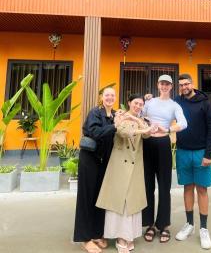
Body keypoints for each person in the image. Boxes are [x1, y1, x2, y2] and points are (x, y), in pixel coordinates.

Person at [96, 94, 156, 253]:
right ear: (129, 103)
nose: (138, 106)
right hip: (119, 164)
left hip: (135, 165)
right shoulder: (120, 116)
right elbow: (124, 133)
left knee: (132, 202)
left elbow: (148, 134)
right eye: (136, 103)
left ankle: (129, 236)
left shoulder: (141, 120)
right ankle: (119, 237)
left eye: (141, 104)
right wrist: (139, 123)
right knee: (119, 201)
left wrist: (138, 122)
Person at [142, 74, 187, 243]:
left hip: (163, 145)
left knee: (164, 187)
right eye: (162, 83)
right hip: (147, 144)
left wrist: (168, 129)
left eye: (168, 84)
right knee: (147, 186)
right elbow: (140, 115)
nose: (164, 86)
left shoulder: (174, 105)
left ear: (171, 86)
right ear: (158, 84)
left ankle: (164, 225)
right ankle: (149, 224)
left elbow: (183, 123)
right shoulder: (150, 102)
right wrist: (146, 126)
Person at [174, 74, 211, 250]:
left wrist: (208, 154)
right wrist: (148, 99)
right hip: (183, 151)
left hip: (200, 153)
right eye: (181, 85)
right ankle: (189, 224)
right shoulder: (177, 101)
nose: (184, 87)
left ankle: (204, 229)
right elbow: (162, 104)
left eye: (186, 84)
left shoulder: (205, 102)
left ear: (192, 84)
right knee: (187, 188)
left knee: (202, 189)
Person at [74, 87, 118, 253]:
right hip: (89, 160)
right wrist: (115, 126)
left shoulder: (115, 114)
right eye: (107, 95)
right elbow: (94, 132)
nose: (109, 97)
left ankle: (97, 233)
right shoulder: (95, 112)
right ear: (102, 97)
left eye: (112, 95)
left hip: (104, 161)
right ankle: (85, 238)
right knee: (86, 199)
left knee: (101, 198)